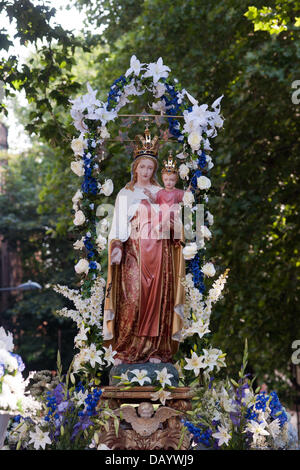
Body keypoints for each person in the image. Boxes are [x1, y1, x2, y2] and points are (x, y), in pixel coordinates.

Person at [103, 128, 185, 365]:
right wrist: (116, 247)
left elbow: (177, 228)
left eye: (151, 168)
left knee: (158, 300)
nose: (147, 172)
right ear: (135, 168)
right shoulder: (125, 194)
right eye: (143, 167)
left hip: (159, 254)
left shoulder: (163, 192)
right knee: (133, 298)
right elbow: (118, 224)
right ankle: (126, 347)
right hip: (134, 253)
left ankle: (155, 351)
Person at [143, 152, 184, 247]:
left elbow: (186, 197)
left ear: (176, 180)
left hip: (173, 215)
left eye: (172, 180)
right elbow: (155, 199)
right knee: (156, 216)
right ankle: (159, 230)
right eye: (166, 180)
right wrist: (149, 194)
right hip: (162, 214)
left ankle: (161, 227)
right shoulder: (161, 192)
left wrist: (190, 190)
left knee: (173, 208)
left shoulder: (177, 192)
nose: (168, 182)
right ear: (163, 180)